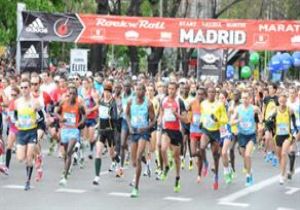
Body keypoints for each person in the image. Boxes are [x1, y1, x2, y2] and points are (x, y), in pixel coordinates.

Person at [14, 79, 43, 190]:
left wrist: (35, 121)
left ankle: (28, 181)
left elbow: (41, 118)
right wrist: (16, 121)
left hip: (31, 132)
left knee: (28, 158)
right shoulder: (18, 102)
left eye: (26, 87)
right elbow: (15, 115)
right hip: (21, 132)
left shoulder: (35, 102)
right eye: (22, 88)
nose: (24, 90)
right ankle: (35, 157)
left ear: (29, 88)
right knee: (21, 158)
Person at [126, 83, 155, 197]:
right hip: (134, 132)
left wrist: (146, 127)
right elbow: (127, 115)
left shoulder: (148, 104)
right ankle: (146, 163)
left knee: (137, 157)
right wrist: (129, 127)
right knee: (133, 162)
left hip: (143, 133)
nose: (138, 91)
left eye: (140, 90)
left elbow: (153, 120)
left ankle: (136, 187)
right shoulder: (130, 102)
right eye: (137, 89)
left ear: (144, 91)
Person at [159, 82, 187, 192]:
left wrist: (177, 115)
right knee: (163, 148)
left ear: (176, 90)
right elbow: (161, 111)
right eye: (169, 88)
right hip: (166, 130)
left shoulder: (180, 102)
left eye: (173, 89)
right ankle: (166, 167)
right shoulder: (164, 100)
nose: (170, 91)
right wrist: (160, 119)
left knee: (176, 157)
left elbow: (185, 119)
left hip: (177, 131)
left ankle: (177, 178)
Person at [199, 86, 228, 190]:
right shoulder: (203, 104)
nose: (211, 93)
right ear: (207, 93)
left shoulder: (220, 105)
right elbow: (203, 115)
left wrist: (217, 119)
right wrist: (201, 122)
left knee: (215, 156)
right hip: (206, 130)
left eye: (213, 92)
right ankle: (206, 163)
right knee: (202, 147)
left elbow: (225, 120)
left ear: (215, 94)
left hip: (216, 132)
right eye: (209, 92)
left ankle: (216, 177)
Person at [57, 84, 86, 186]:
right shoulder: (63, 103)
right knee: (66, 153)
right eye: (70, 94)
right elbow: (56, 112)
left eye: (74, 94)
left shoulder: (79, 105)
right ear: (67, 94)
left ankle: (65, 176)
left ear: (76, 95)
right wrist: (60, 118)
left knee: (69, 152)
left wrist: (81, 123)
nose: (72, 96)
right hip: (65, 130)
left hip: (74, 131)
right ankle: (67, 167)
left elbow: (84, 115)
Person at [231, 91, 261, 187]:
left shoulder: (254, 108)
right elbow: (231, 122)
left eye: (246, 98)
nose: (245, 100)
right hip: (241, 135)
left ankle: (248, 176)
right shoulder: (238, 109)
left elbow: (260, 114)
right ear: (241, 99)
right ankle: (249, 169)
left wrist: (260, 123)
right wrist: (237, 120)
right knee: (244, 155)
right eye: (243, 98)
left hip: (251, 135)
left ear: (250, 99)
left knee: (248, 155)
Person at [93, 82, 118, 185]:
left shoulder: (113, 103)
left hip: (110, 131)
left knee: (111, 154)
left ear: (111, 93)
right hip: (101, 130)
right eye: (105, 91)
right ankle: (97, 177)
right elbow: (98, 112)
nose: (106, 93)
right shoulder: (101, 101)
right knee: (98, 152)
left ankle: (117, 160)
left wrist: (111, 115)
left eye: (108, 91)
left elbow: (115, 116)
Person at [268, 94, 297, 184]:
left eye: (284, 101)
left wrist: (295, 131)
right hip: (278, 136)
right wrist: (269, 125)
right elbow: (269, 121)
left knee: (284, 153)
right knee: (280, 157)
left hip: (287, 136)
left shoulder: (289, 110)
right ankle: (284, 169)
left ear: (286, 101)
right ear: (278, 102)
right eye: (281, 101)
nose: (282, 103)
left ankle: (282, 175)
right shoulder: (275, 111)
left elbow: (294, 122)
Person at [188, 87, 207, 183]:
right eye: (198, 94)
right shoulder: (192, 103)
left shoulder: (206, 104)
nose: (199, 96)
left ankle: (199, 175)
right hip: (193, 130)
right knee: (193, 153)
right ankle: (203, 157)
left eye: (201, 94)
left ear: (204, 95)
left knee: (200, 153)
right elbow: (188, 113)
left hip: (203, 132)